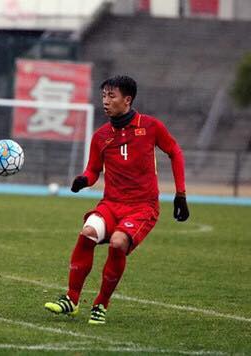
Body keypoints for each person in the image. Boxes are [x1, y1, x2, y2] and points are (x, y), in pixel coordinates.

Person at [44, 75, 189, 324]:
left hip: (142, 207)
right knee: (88, 232)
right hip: (111, 204)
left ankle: (100, 304)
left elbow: (175, 151)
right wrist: (83, 180)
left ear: (127, 100)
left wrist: (181, 194)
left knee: (119, 243)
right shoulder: (101, 136)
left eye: (112, 96)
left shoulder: (151, 127)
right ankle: (71, 298)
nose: (105, 101)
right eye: (103, 96)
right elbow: (93, 171)